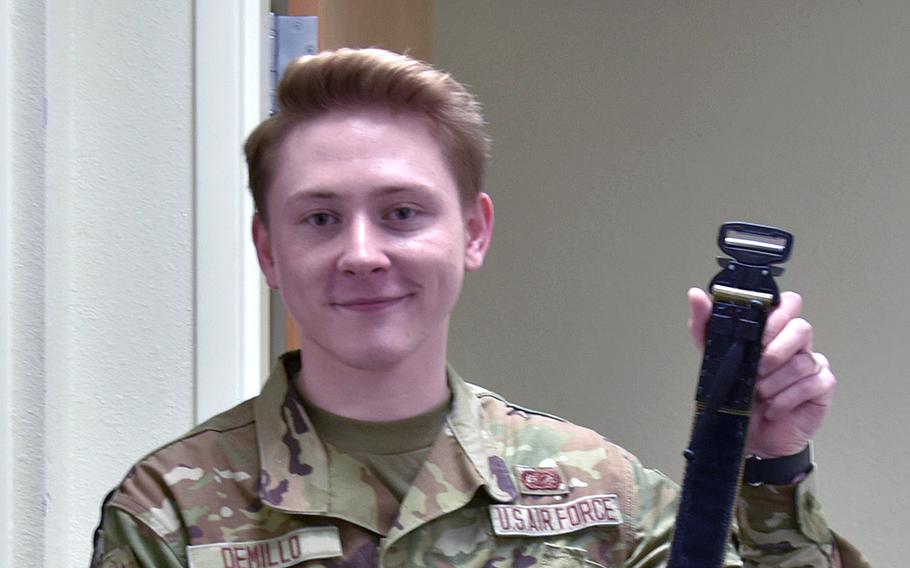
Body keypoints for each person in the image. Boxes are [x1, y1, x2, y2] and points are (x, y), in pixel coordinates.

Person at [91, 48, 869, 567]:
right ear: (268, 250)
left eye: (402, 212)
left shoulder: (598, 495)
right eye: (320, 218)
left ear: (473, 232)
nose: (363, 252)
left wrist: (769, 461)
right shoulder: (170, 511)